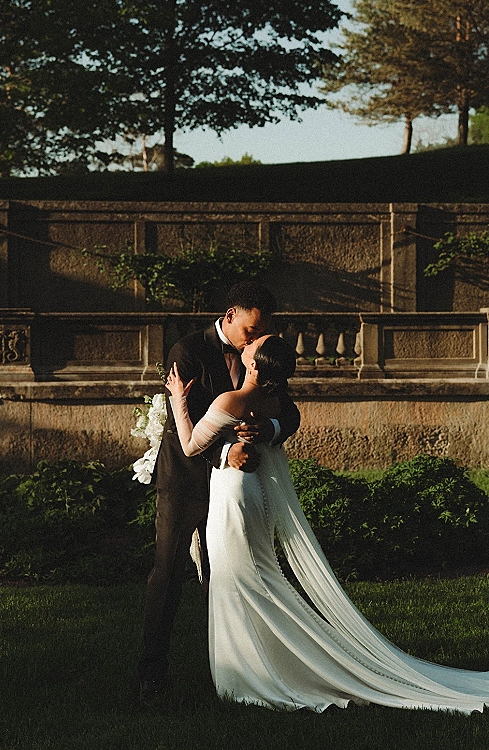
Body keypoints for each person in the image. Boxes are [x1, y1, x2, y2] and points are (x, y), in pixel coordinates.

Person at [166, 334, 489, 714]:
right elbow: (272, 423)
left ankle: (258, 672)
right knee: (255, 576)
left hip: (234, 493)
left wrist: (178, 402)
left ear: (254, 364)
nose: (248, 344)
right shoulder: (268, 399)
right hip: (251, 491)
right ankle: (265, 661)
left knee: (240, 577)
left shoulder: (230, 400)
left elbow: (189, 446)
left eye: (254, 346)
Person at [137, 282, 301, 705]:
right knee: (168, 574)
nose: (258, 340)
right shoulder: (188, 350)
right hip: (186, 480)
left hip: (238, 491)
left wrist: (271, 429)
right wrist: (229, 452)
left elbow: (289, 409)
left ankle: (241, 669)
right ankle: (152, 674)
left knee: (231, 575)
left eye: (264, 332)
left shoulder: (260, 356)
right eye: (251, 331)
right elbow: (189, 429)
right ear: (230, 315)